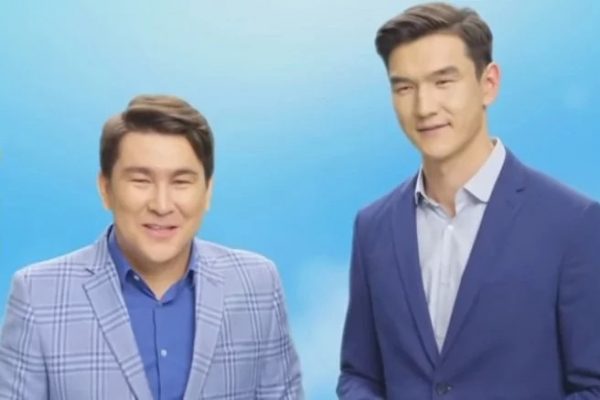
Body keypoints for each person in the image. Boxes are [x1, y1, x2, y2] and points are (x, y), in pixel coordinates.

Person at [337, 2, 600, 398]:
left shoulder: (572, 223)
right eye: (404, 87)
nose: (424, 107)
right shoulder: (373, 226)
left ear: (488, 83)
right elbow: (359, 374)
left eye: (443, 81)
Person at [0, 95, 303, 399]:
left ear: (208, 191)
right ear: (106, 189)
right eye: (141, 181)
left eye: (181, 182)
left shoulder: (257, 284)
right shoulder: (38, 295)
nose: (161, 205)